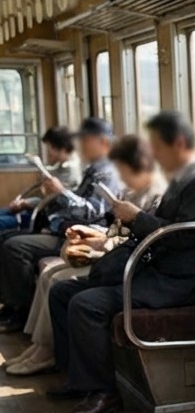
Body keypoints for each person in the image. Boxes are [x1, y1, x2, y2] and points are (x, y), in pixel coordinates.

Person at [46, 111, 195, 413]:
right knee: (62, 292)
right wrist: (130, 220)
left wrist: (137, 217)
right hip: (153, 271)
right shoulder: (181, 178)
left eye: (157, 146)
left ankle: (103, 392)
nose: (152, 154)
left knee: (86, 305)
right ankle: (77, 378)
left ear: (178, 143)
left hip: (174, 283)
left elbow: (184, 237)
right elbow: (165, 228)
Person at [5, 136, 166, 376]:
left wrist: (103, 240)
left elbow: (138, 240)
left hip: (123, 260)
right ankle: (41, 345)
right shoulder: (131, 190)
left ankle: (46, 351)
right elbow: (116, 231)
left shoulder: (154, 196)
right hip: (111, 250)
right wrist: (95, 236)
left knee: (57, 279)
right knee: (51, 274)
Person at [0, 117, 121, 333]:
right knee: (8, 238)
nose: (81, 146)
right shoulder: (94, 168)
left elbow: (93, 211)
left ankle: (20, 311)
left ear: (101, 142)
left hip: (84, 234)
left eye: (86, 140)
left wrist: (60, 193)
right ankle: (12, 305)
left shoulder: (108, 171)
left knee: (15, 246)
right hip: (66, 226)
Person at [0, 126, 81, 231]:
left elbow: (53, 202)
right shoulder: (61, 166)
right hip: (36, 210)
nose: (47, 153)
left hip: (43, 216)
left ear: (58, 147)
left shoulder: (71, 172)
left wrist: (26, 203)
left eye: (49, 148)